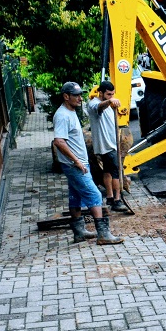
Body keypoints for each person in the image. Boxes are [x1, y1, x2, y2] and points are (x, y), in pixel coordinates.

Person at [53, 81, 125, 245]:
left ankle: (79, 232)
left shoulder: (70, 112)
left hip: (76, 164)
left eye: (80, 94)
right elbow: (59, 141)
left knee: (75, 197)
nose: (80, 98)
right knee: (95, 195)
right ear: (66, 96)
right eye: (76, 95)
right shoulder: (63, 115)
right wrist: (77, 161)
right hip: (75, 165)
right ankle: (103, 234)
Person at [88, 80, 127, 213]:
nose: (111, 96)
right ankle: (117, 200)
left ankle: (109, 197)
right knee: (116, 172)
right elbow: (99, 107)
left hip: (111, 143)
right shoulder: (94, 104)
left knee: (107, 171)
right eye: (108, 94)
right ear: (101, 92)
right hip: (107, 145)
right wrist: (110, 102)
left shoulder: (109, 105)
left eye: (112, 94)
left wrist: (111, 103)